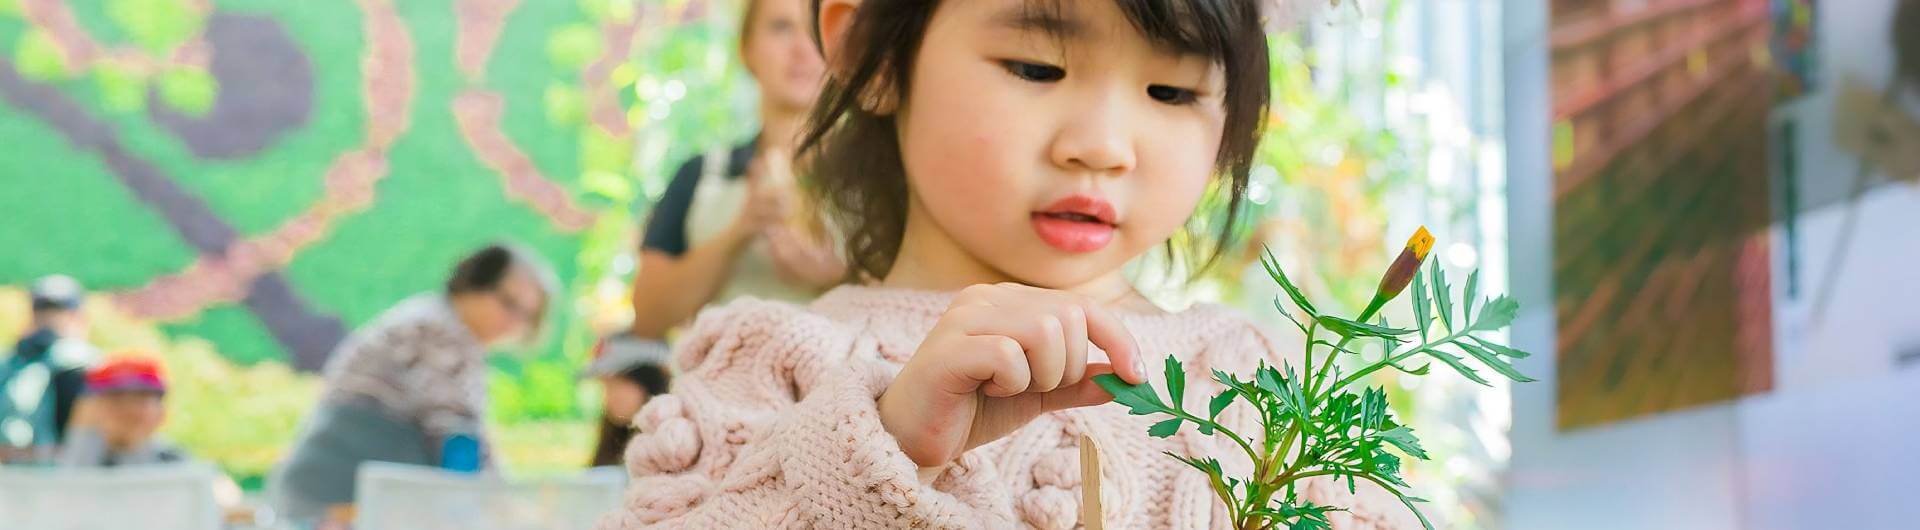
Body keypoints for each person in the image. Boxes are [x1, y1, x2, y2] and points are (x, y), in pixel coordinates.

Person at [594, 1, 1418, 528]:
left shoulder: (1255, 387)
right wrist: (881, 443)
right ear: (873, 51)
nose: (1100, 146)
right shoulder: (768, 367)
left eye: (1172, 92)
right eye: (1036, 68)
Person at [272, 244, 555, 522]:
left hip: (341, 496)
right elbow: (457, 438)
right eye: (509, 304)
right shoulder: (437, 330)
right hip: (341, 498)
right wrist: (497, 506)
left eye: (527, 316)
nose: (513, 323)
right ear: (475, 285)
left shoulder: (434, 320)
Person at [629, 0, 844, 340]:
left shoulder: (878, 179)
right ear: (746, 49)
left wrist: (834, 277)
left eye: (817, 30)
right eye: (781, 27)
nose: (803, 48)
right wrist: (741, 230)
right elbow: (648, 317)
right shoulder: (698, 175)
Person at [0, 275, 98, 463]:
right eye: (43, 312)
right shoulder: (12, 364)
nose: (50, 320)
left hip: (67, 470)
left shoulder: (83, 363)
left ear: (77, 316)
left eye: (59, 312)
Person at [55, 356, 187, 467]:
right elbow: (70, 485)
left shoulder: (177, 463)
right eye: (116, 400)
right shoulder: (78, 460)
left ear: (161, 411)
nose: (129, 409)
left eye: (141, 399)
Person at [581, 336, 672, 468]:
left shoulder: (673, 448)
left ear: (648, 381)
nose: (609, 397)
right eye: (606, 386)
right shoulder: (614, 443)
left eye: (617, 384)